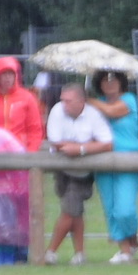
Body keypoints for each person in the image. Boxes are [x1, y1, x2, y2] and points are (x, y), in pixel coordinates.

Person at [43, 82, 116, 264]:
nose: (64, 104)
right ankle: (80, 253)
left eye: (68, 101)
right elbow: (55, 142)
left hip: (83, 171)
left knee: (69, 210)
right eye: (62, 100)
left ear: (81, 101)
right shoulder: (57, 111)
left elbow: (107, 143)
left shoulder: (93, 115)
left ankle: (50, 252)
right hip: (62, 168)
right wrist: (90, 144)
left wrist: (80, 149)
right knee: (75, 211)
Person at [89, 70, 138, 264]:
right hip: (102, 159)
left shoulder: (129, 99)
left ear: (121, 82)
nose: (109, 84)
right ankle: (125, 251)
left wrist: (89, 101)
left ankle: (132, 237)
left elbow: (112, 111)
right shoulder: (96, 104)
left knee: (125, 209)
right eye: (105, 80)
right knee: (111, 207)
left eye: (113, 80)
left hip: (128, 158)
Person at [0, 107, 31, 263]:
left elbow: (22, 160)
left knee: (11, 225)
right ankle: (2, 258)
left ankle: (15, 258)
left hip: (14, 188)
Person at [0, 57, 46, 155]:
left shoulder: (27, 97)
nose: (8, 77)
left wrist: (31, 153)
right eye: (4, 73)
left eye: (11, 73)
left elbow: (35, 129)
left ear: (16, 76)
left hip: (20, 151)